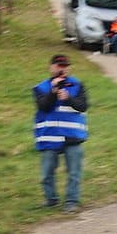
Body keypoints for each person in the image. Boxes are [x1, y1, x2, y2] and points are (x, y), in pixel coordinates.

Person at [32, 54, 88, 213]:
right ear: (51, 67)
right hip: (50, 137)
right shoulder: (40, 87)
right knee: (46, 173)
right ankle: (51, 199)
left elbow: (83, 106)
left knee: (74, 172)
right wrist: (53, 91)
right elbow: (43, 107)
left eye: (65, 66)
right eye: (59, 65)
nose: (62, 69)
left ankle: (72, 201)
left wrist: (68, 98)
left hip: (72, 135)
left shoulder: (78, 85)